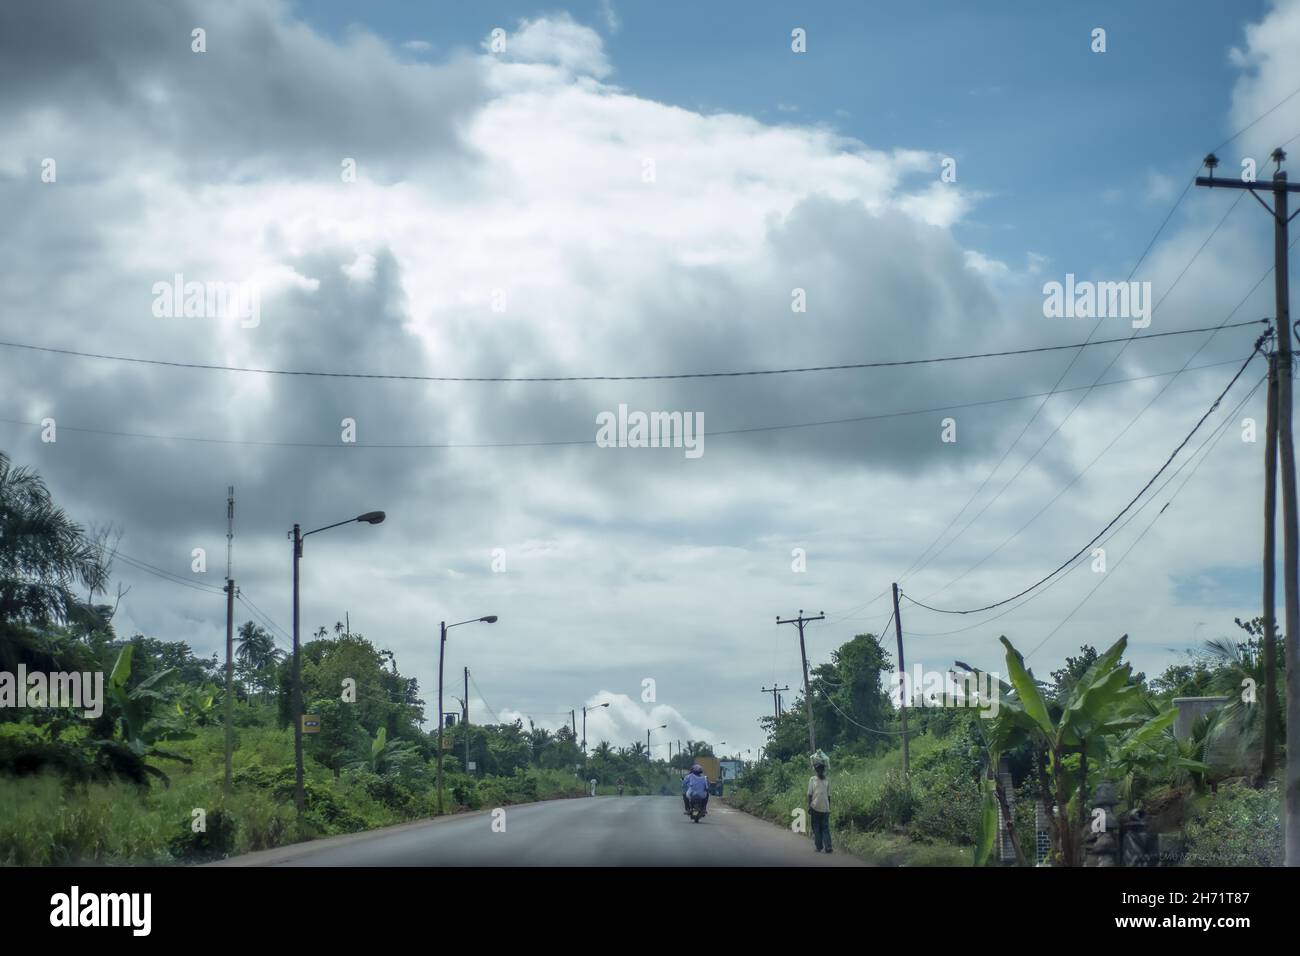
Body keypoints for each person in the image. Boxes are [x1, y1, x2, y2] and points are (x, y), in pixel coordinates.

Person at [807, 759, 832, 853]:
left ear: (823, 769)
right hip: (815, 807)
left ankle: (828, 846)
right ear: (816, 770)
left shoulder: (827, 780)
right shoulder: (812, 779)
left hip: (825, 808)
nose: (820, 770)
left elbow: (829, 795)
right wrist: (809, 806)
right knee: (816, 828)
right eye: (818, 769)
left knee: (825, 828)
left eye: (821, 769)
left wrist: (829, 807)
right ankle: (819, 846)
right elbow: (809, 794)